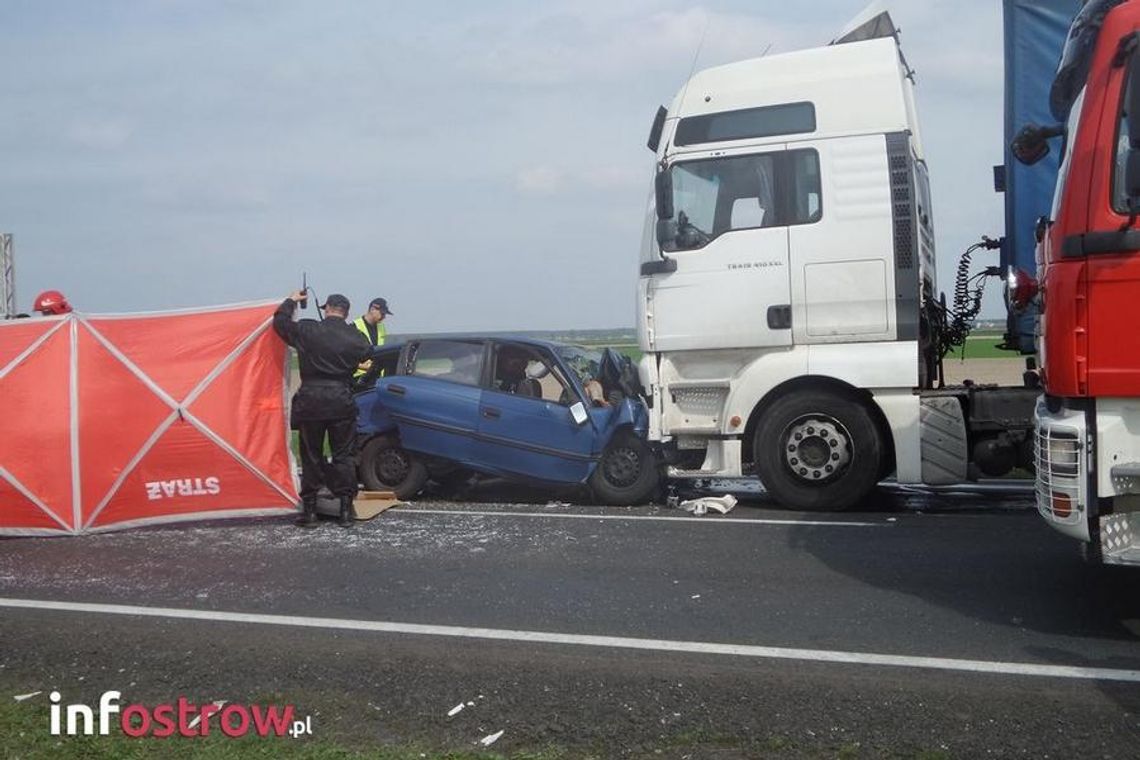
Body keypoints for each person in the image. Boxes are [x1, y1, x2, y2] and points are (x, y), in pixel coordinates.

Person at [272, 291, 370, 529]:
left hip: (311, 401)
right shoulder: (356, 338)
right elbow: (366, 353)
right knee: (344, 456)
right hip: (341, 400)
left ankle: (311, 512)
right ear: (346, 312)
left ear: (327, 308)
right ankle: (346, 511)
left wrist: (292, 300)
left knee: (312, 456)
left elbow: (280, 323)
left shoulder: (308, 329)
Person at [353, 297, 393, 379]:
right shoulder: (354, 326)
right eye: (382, 313)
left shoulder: (381, 327)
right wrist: (361, 366)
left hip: (377, 376)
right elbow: (347, 356)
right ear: (372, 309)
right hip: (359, 378)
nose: (384, 317)